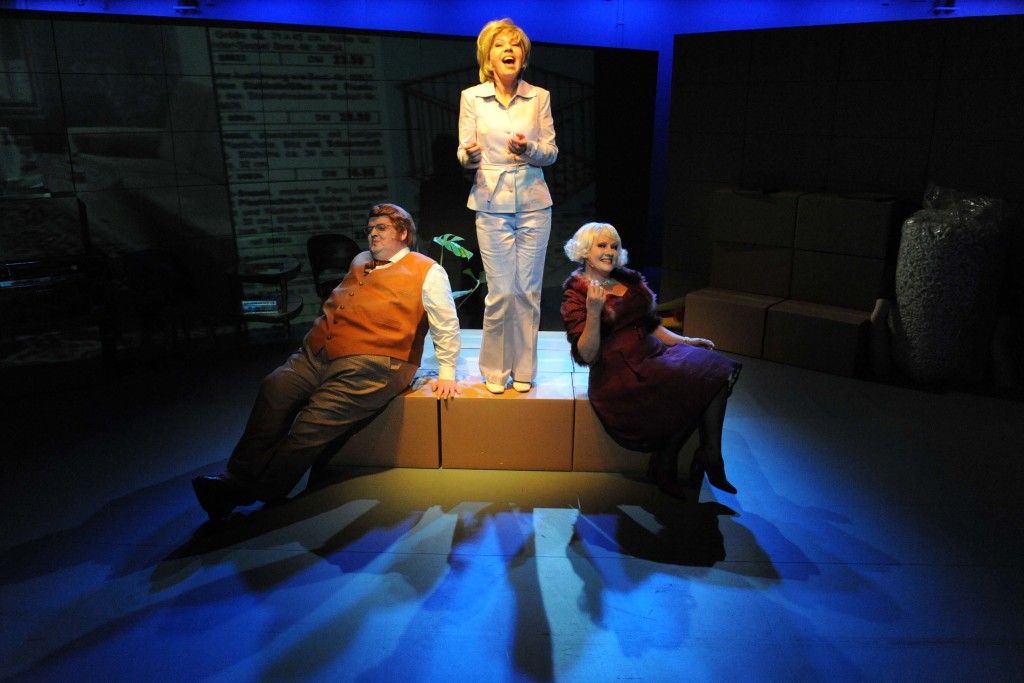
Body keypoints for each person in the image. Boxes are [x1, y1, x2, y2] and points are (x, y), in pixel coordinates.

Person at [192, 203, 462, 520]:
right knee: (275, 388)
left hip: (375, 361)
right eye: (370, 229)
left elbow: (446, 323)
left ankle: (256, 489)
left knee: (312, 422)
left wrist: (447, 371)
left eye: (382, 228)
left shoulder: (427, 269)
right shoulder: (360, 260)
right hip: (317, 352)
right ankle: (236, 476)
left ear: (403, 233)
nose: (373, 234)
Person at [560, 222, 742, 499]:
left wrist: (686, 341)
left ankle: (707, 453)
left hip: (653, 354)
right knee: (696, 382)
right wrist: (594, 312)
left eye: (614, 246)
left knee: (714, 369)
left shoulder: (627, 280)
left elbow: (650, 324)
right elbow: (586, 354)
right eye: (601, 245)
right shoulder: (576, 293)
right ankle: (672, 459)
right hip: (621, 371)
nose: (609, 251)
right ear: (585, 250)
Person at [457, 17, 557, 394]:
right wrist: (468, 157)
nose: (509, 49)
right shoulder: (471, 97)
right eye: (501, 45)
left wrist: (528, 149)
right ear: (489, 58)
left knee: (528, 292)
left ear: (523, 57)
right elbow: (464, 151)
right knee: (500, 293)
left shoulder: (539, 97)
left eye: (515, 45)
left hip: (534, 202)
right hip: (490, 200)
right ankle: (496, 371)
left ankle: (525, 368)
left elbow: (551, 151)